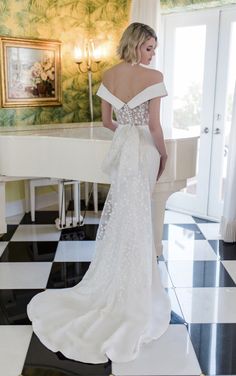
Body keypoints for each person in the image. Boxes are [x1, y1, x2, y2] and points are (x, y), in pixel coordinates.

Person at [27, 22, 171, 364]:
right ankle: (135, 291)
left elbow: (108, 123)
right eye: (149, 47)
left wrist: (126, 131)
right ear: (136, 45)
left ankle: (116, 283)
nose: (153, 54)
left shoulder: (108, 75)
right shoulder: (153, 78)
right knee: (138, 217)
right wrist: (163, 153)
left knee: (122, 213)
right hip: (144, 151)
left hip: (123, 150)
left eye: (155, 48)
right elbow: (153, 126)